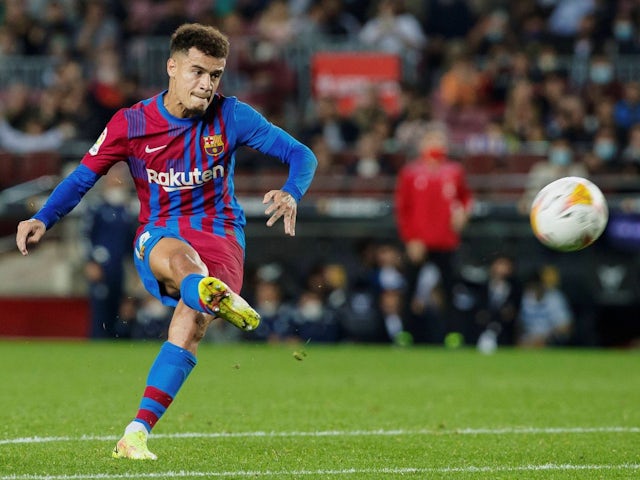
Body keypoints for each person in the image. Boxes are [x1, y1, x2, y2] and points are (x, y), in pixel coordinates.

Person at [15, 23, 317, 460]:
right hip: (162, 232)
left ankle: (135, 434)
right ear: (171, 67)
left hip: (222, 235)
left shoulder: (233, 115)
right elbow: (84, 176)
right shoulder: (132, 122)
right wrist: (44, 217)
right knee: (184, 262)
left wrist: (292, 191)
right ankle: (210, 292)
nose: (207, 84)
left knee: (189, 328)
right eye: (197, 72)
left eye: (215, 75)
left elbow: (301, 155)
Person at [395, 123, 473, 339]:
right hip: (419, 241)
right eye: (431, 139)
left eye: (439, 139)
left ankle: (453, 334)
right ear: (422, 144)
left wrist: (464, 213)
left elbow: (465, 198)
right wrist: (410, 239)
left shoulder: (454, 171)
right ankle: (406, 333)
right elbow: (403, 209)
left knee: (449, 289)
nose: (435, 144)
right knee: (410, 288)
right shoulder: (410, 172)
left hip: (446, 240)